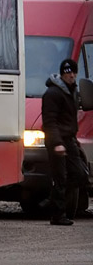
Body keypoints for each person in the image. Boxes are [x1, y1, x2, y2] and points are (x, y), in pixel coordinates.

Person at [41, 58, 86, 226]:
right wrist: (57, 143)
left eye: (74, 72)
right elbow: (50, 122)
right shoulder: (53, 93)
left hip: (70, 139)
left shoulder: (72, 91)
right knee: (60, 177)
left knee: (79, 175)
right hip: (56, 140)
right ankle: (57, 215)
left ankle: (51, 202)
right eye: (68, 72)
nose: (71, 75)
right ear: (62, 74)